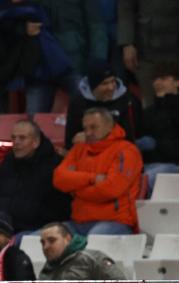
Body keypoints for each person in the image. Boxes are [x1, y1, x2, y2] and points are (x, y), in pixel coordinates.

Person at [53, 107, 142, 235]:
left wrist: (75, 190)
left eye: (94, 127)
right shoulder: (79, 148)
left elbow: (111, 189)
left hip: (115, 221)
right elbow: (59, 179)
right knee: (37, 238)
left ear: (110, 126)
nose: (88, 133)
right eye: (85, 128)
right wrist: (92, 179)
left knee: (94, 240)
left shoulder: (127, 150)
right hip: (78, 222)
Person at [0, 1, 74, 114]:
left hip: (59, 65)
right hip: (36, 72)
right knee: (32, 119)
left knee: (84, 97)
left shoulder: (34, 11)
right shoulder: (5, 13)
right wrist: (22, 28)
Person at [0, 120, 71, 235]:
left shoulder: (54, 166)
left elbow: (56, 208)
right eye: (13, 138)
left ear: (36, 142)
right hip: (5, 226)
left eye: (22, 138)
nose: (16, 142)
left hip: (38, 228)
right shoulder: (8, 163)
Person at [65, 61, 142, 147]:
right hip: (88, 151)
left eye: (113, 81)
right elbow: (71, 140)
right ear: (93, 86)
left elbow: (129, 137)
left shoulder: (126, 99)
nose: (111, 87)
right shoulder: (78, 102)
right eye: (105, 83)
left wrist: (92, 138)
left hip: (118, 150)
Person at [117, 0, 179, 107]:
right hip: (145, 50)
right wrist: (127, 44)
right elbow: (125, 10)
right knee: (150, 101)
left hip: (174, 49)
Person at [137, 62, 179, 191]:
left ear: (177, 82)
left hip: (174, 164)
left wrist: (165, 101)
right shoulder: (147, 112)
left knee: (149, 178)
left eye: (163, 78)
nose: (158, 82)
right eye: (155, 79)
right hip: (150, 164)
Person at [37, 222, 126, 280]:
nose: (46, 247)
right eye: (42, 242)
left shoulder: (93, 259)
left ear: (68, 239)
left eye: (52, 240)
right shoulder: (47, 269)